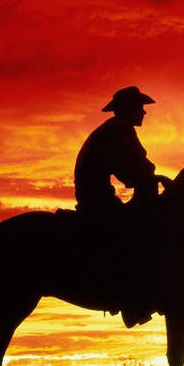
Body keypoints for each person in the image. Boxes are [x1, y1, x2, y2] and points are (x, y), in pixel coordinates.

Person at [73, 86, 171, 327]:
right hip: (98, 200)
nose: (144, 112)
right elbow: (134, 167)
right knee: (140, 235)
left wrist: (148, 178)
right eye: (140, 107)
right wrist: (151, 178)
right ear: (128, 109)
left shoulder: (113, 129)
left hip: (95, 196)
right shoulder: (121, 129)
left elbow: (131, 168)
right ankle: (132, 300)